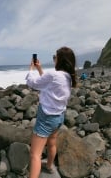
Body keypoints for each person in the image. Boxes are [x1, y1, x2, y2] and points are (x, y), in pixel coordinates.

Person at [25, 47, 77, 178]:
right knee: (52, 142)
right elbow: (49, 84)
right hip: (59, 117)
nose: (54, 58)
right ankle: (49, 166)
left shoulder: (54, 75)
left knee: (35, 154)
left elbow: (33, 83)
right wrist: (40, 70)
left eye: (55, 56)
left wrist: (31, 69)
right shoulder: (68, 77)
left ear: (60, 60)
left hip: (46, 117)